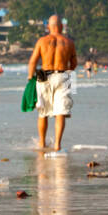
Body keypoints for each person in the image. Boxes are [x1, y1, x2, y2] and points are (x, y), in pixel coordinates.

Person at [27, 14, 77, 151]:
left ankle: (42, 143)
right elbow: (74, 63)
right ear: (61, 26)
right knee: (60, 112)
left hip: (43, 73)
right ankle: (57, 145)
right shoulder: (69, 42)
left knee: (43, 112)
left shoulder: (42, 41)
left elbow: (33, 61)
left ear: (48, 27)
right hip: (63, 74)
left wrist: (30, 78)